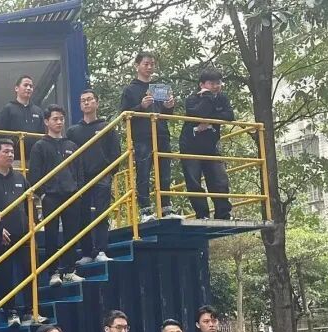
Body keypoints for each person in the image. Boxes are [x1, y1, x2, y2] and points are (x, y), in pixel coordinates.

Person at [0, 139, 46, 327]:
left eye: (12, 151)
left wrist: (33, 223)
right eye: (5, 151)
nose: (10, 155)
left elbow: (30, 202)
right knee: (5, 274)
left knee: (30, 271)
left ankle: (31, 310)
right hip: (1, 236)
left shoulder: (20, 178)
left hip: (24, 234)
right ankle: (11, 312)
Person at [120, 51, 180, 222]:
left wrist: (169, 106)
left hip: (161, 133)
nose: (149, 67)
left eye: (152, 64)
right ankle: (145, 210)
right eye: (146, 64)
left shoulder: (159, 88)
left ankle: (166, 208)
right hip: (142, 136)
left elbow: (166, 114)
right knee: (144, 172)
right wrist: (141, 106)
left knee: (165, 172)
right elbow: (124, 115)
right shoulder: (130, 89)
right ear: (137, 65)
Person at [30, 105, 86, 287]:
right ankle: (53, 272)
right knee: (51, 235)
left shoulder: (71, 145)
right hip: (51, 196)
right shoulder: (39, 146)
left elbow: (79, 171)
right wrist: (42, 193)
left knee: (72, 234)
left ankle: (70, 270)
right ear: (46, 121)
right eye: (55, 119)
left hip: (71, 195)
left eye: (61, 118)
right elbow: (34, 174)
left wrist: (78, 190)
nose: (59, 122)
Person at [66, 89, 121, 263]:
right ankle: (87, 253)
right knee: (82, 214)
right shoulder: (73, 131)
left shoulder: (106, 127)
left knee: (101, 213)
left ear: (97, 102)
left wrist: (110, 172)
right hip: (81, 178)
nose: (86, 102)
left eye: (89, 99)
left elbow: (115, 152)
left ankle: (101, 250)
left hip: (102, 176)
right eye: (83, 100)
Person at [180, 69, 235, 220]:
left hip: (210, 147)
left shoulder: (222, 98)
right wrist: (207, 97)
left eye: (218, 83)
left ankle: (223, 214)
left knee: (219, 180)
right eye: (211, 83)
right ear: (202, 85)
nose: (216, 86)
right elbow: (198, 113)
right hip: (190, 146)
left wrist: (209, 121)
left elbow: (230, 115)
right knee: (194, 182)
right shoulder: (192, 99)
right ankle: (202, 214)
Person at [0, 75, 45, 162]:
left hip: (35, 159)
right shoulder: (8, 109)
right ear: (16, 88)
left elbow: (42, 134)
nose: (28, 88)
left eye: (31, 86)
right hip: (15, 159)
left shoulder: (38, 111)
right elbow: (0, 134)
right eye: (25, 85)